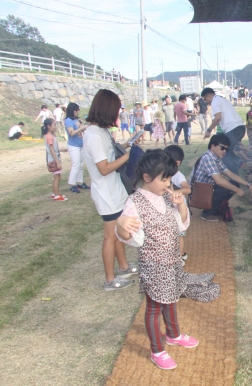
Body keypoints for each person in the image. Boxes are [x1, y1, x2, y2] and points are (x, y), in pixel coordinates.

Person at [115, 151, 204, 370]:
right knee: (155, 308)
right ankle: (157, 350)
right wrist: (121, 224)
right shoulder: (134, 202)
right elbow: (129, 238)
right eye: (163, 179)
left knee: (172, 298)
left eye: (169, 180)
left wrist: (181, 203)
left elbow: (181, 225)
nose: (167, 184)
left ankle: (173, 334)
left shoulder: (166, 197)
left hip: (172, 262)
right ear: (147, 177)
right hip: (154, 265)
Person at [83, 89, 138, 291]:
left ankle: (123, 267)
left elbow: (109, 154)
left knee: (119, 231)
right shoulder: (93, 135)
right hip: (106, 193)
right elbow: (104, 167)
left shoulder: (101, 131)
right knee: (110, 236)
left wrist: (127, 145)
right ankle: (109, 280)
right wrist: (128, 156)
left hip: (115, 190)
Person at [190, 134, 252, 221]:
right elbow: (219, 181)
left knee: (234, 184)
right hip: (199, 193)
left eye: (226, 149)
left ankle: (214, 207)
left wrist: (248, 184)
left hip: (207, 189)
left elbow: (231, 175)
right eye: (222, 148)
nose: (224, 151)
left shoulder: (216, 158)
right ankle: (207, 213)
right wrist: (238, 190)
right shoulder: (208, 158)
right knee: (225, 188)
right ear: (213, 146)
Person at [202, 87, 247, 173]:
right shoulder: (222, 100)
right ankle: (238, 162)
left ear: (208, 96)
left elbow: (218, 117)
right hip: (240, 127)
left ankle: (234, 180)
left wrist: (209, 130)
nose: (206, 102)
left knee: (225, 154)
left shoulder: (214, 102)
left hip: (233, 129)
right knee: (228, 150)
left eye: (205, 99)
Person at [164, 145, 192, 266]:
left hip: (179, 209)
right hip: (169, 209)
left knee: (179, 234)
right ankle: (181, 253)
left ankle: (179, 258)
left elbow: (187, 189)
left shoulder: (177, 175)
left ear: (177, 163)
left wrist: (175, 192)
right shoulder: (164, 173)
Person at [64, 103, 90, 193]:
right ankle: (72, 184)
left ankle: (80, 181)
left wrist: (83, 127)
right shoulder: (68, 120)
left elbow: (80, 129)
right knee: (76, 164)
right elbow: (71, 133)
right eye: (76, 110)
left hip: (80, 144)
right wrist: (81, 128)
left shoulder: (76, 120)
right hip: (73, 145)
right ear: (72, 110)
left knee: (81, 164)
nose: (78, 112)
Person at [42, 118, 67, 201]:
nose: (55, 127)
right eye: (54, 125)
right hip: (53, 161)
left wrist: (62, 150)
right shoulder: (49, 137)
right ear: (48, 126)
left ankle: (54, 194)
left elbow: (54, 149)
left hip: (54, 159)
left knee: (57, 177)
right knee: (57, 178)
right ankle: (56, 195)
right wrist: (57, 162)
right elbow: (52, 150)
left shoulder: (51, 136)